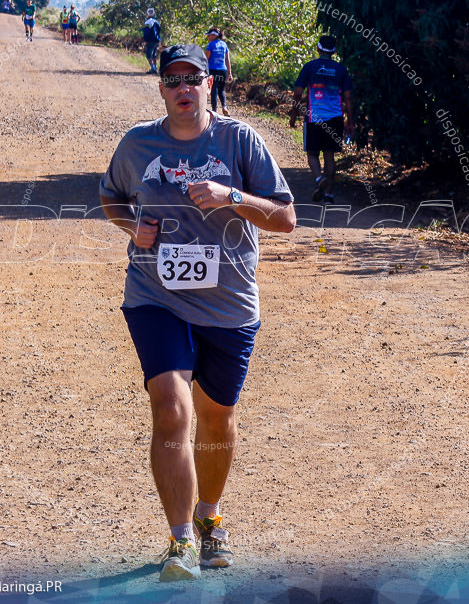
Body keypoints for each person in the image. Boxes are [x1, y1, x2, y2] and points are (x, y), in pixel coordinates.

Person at [99, 44, 296, 582]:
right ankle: (179, 541)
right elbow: (111, 197)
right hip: (154, 294)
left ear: (211, 83)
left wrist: (232, 195)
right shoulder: (138, 144)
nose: (183, 88)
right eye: (173, 80)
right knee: (170, 406)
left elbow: (285, 218)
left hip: (229, 300)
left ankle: (210, 518)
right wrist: (130, 228)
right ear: (161, 88)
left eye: (193, 79)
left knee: (214, 417)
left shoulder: (240, 141)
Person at [289, 35, 353, 204]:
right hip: (335, 118)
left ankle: (318, 179)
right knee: (330, 155)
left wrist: (294, 115)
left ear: (318, 49)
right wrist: (350, 122)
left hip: (314, 118)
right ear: (334, 51)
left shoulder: (310, 67)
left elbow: (297, 93)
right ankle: (329, 195)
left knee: (312, 154)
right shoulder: (341, 70)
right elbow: (348, 98)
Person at [204, 28, 232, 116]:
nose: (208, 37)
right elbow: (227, 60)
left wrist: (203, 71)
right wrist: (229, 73)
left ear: (214, 36)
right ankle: (224, 107)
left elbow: (206, 59)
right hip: (223, 70)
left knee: (214, 90)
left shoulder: (210, 45)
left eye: (209, 35)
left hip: (212, 70)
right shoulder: (224, 45)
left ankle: (214, 111)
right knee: (221, 89)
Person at [142, 8, 162, 74]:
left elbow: (146, 32)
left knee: (148, 55)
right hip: (156, 40)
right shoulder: (157, 22)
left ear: (147, 14)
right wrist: (159, 40)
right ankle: (155, 68)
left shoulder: (147, 22)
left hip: (150, 41)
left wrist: (145, 41)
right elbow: (158, 32)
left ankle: (153, 68)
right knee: (154, 55)